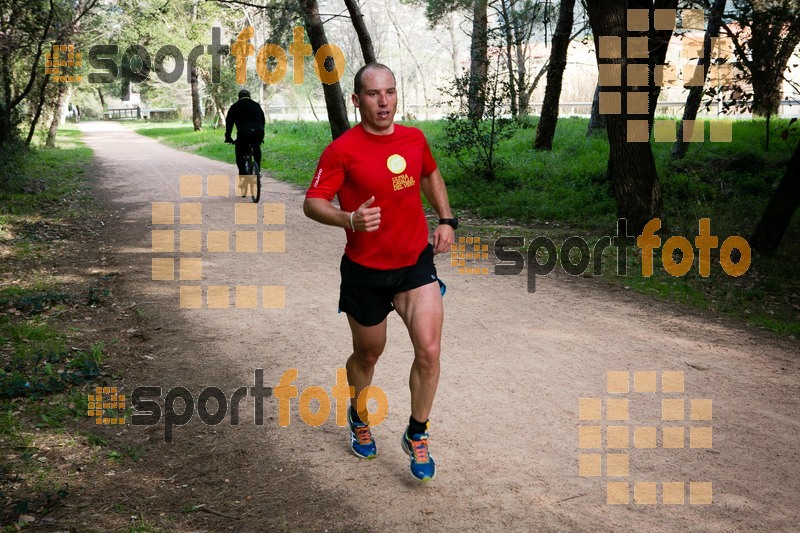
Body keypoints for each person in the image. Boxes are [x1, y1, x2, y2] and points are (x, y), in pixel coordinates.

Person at [303, 63, 457, 482]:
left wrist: (446, 219)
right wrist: (349, 219)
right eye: (373, 94)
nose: (384, 101)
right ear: (357, 100)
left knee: (429, 350)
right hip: (365, 271)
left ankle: (417, 431)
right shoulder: (342, 150)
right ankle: (358, 414)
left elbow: (429, 173)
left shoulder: (414, 139)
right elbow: (313, 201)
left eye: (389, 92)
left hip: (414, 264)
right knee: (369, 353)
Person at [224, 88, 266, 178]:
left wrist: (228, 137)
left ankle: (243, 174)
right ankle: (258, 169)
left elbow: (229, 123)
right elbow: (262, 121)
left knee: (239, 152)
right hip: (258, 131)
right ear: (249, 96)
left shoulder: (235, 106)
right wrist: (261, 136)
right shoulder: (256, 105)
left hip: (243, 133)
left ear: (239, 97)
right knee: (256, 147)